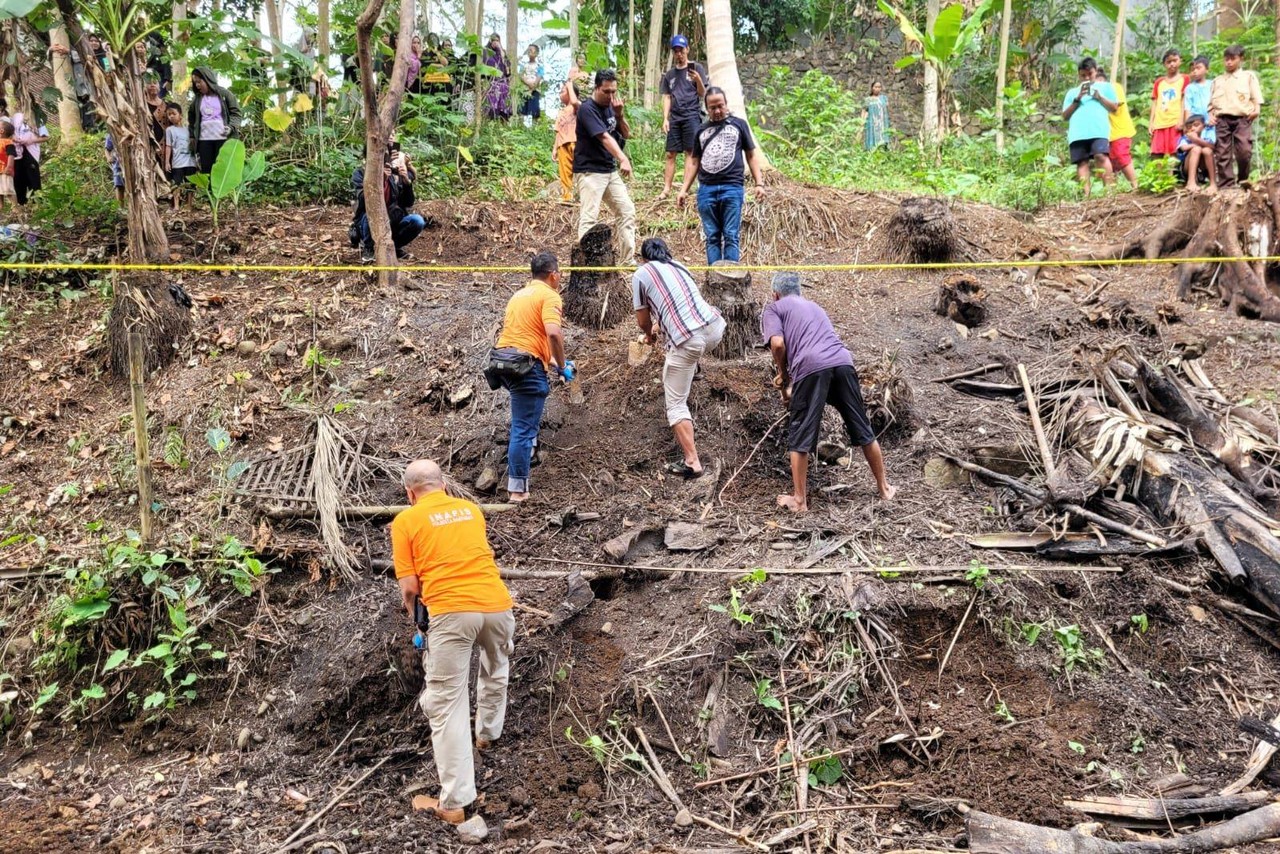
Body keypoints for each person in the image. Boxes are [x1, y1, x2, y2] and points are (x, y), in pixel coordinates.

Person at [391, 458, 515, 827]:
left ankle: (455, 802)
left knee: (447, 702)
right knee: (495, 668)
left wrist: (416, 617)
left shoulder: (406, 520)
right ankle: (488, 736)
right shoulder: (471, 510)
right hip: (497, 605)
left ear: (410, 493)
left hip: (450, 611)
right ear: (443, 485)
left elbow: (411, 587)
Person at [763, 272, 896, 512]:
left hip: (811, 366)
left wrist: (783, 374)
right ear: (799, 291)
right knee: (862, 427)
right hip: (843, 362)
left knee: (800, 432)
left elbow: (778, 344)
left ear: (776, 294)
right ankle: (884, 488)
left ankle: (799, 500)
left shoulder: (774, 308)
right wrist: (791, 390)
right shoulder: (816, 307)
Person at [633, 238, 725, 479]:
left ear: (644, 258)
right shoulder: (679, 265)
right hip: (714, 328)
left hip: (689, 341)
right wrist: (659, 327)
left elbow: (642, 320)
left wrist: (647, 334)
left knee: (675, 404)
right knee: (691, 352)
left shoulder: (641, 274)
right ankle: (695, 369)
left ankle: (692, 462)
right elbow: (680, 305)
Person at [488, 251, 572, 503]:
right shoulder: (549, 295)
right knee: (522, 429)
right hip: (527, 367)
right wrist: (563, 365)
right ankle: (517, 491)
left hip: (505, 361)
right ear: (553, 275)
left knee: (524, 423)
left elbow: (526, 338)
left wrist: (555, 363)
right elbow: (554, 334)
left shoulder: (519, 295)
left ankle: (529, 455)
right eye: (559, 275)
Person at [676, 87, 765, 265]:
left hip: (732, 187)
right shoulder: (701, 130)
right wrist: (683, 189)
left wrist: (759, 183)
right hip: (706, 189)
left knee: (731, 235)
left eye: (720, 106)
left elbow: (751, 155)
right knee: (712, 236)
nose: (717, 111)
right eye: (712, 107)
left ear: (726, 105)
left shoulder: (739, 125)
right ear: (707, 109)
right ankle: (714, 279)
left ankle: (732, 278)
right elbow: (694, 162)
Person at [574, 69, 636, 261]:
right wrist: (623, 158)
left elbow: (626, 134)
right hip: (590, 171)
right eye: (606, 91)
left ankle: (628, 261)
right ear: (597, 88)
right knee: (589, 217)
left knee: (626, 211)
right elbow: (604, 137)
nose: (611, 96)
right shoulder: (587, 109)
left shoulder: (612, 107)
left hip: (609, 170)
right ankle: (585, 265)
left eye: (613, 91)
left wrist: (619, 116)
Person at [351, 144, 426, 262]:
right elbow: (363, 201)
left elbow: (408, 203)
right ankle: (369, 247)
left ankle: (394, 247)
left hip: (391, 220)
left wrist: (407, 183)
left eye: (385, 153)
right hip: (368, 220)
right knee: (371, 213)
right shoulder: (360, 173)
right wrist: (379, 180)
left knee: (417, 221)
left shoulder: (392, 174)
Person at [658, 35, 708, 201]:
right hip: (675, 117)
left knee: (690, 152)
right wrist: (665, 118)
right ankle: (666, 189)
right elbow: (666, 97)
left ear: (687, 49)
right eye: (676, 51)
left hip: (691, 115)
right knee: (670, 154)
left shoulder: (697, 69)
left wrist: (698, 80)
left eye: (681, 50)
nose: (679, 54)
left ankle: (685, 188)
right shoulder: (670, 75)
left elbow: (702, 94)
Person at [1061, 57, 1117, 199]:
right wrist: (1077, 99)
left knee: (1101, 155)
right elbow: (1065, 115)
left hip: (1098, 130)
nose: (1086, 78)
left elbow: (1114, 107)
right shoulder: (1072, 92)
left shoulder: (1106, 87)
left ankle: (1109, 193)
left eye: (1089, 74)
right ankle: (1087, 197)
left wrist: (1099, 97)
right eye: (1083, 75)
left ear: (1096, 71)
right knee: (1081, 162)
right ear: (1078, 75)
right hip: (1078, 133)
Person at [1209, 44, 1262, 189]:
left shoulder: (1248, 77)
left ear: (1241, 59)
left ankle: (1243, 179)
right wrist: (1210, 115)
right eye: (1226, 59)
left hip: (1242, 118)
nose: (1229, 62)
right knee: (1222, 152)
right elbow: (1211, 104)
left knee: (1244, 151)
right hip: (1222, 119)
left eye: (1233, 59)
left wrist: (1257, 109)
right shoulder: (1217, 80)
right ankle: (1226, 184)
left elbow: (1256, 97)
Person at [188, 67, 242, 173]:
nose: (197, 85)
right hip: (204, 140)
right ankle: (209, 190)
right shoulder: (197, 99)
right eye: (195, 83)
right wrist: (192, 135)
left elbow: (236, 113)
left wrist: (231, 127)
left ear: (208, 79)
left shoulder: (225, 95)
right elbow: (192, 118)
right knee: (207, 169)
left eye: (199, 81)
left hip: (222, 138)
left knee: (223, 168)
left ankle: (223, 190)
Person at [552, 56, 589, 204]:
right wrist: (554, 148)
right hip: (562, 144)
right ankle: (567, 196)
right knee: (564, 171)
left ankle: (584, 196)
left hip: (576, 142)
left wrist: (569, 84)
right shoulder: (561, 112)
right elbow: (558, 131)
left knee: (581, 170)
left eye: (564, 91)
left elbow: (574, 101)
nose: (561, 92)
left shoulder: (577, 107)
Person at [1097, 70, 1137, 190]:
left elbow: (1115, 106)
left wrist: (1100, 96)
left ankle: (1135, 186)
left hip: (1120, 131)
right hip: (1105, 134)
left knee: (1121, 157)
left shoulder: (1114, 88)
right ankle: (1113, 191)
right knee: (1109, 163)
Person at [1149, 49, 1187, 158]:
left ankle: (1172, 175)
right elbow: (1155, 103)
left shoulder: (1185, 79)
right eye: (1168, 62)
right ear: (1164, 64)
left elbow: (1184, 100)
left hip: (1175, 122)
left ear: (1180, 61)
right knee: (1156, 153)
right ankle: (1159, 175)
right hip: (1159, 122)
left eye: (1175, 60)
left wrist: (1182, 120)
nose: (1172, 64)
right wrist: (1151, 123)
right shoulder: (1159, 82)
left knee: (1174, 153)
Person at [11, 111, 49, 208]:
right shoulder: (14, 117)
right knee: (18, 178)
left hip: (31, 152)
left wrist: (30, 140)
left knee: (33, 178)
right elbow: (9, 133)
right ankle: (21, 204)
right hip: (17, 152)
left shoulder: (36, 117)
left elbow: (46, 137)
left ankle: (37, 204)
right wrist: (14, 138)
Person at [164, 103, 198, 210]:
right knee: (176, 184)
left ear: (180, 115)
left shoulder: (189, 129)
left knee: (190, 184)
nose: (171, 116)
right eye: (169, 115)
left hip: (190, 161)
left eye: (174, 113)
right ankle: (177, 205)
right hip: (177, 162)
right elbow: (168, 146)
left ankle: (189, 205)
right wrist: (167, 162)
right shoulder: (170, 130)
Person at [1175, 115, 1217, 192]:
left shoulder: (1208, 135)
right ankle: (1191, 182)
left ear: (1203, 126)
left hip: (1203, 167)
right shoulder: (1186, 137)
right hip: (1187, 168)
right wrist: (1195, 142)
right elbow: (1183, 148)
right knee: (1196, 149)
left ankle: (1213, 183)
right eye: (1189, 127)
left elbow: (1213, 147)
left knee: (1207, 150)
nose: (1193, 128)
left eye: (1196, 125)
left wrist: (1196, 140)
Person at [1183, 56, 1216, 148]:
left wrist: (1213, 117)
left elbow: (1217, 103)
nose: (1195, 71)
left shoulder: (1213, 84)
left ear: (1207, 70)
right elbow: (1188, 108)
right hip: (1196, 124)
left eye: (1198, 68)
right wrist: (1187, 126)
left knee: (1210, 148)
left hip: (1211, 123)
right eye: (1192, 69)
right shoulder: (1190, 88)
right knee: (1196, 147)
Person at [483, 34, 512, 120]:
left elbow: (508, 72)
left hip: (503, 84)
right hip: (491, 83)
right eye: (493, 40)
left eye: (497, 40)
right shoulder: (485, 51)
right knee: (491, 109)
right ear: (490, 41)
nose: (495, 42)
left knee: (503, 111)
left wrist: (502, 54)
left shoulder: (502, 53)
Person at [518, 44, 544, 127]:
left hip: (535, 90)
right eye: (529, 51)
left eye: (533, 51)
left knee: (535, 109)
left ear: (537, 53)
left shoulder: (539, 65)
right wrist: (528, 83)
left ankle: (535, 128)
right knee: (522, 110)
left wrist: (533, 86)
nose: (531, 52)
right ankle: (521, 127)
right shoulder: (523, 65)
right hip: (524, 90)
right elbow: (521, 75)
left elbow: (540, 75)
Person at [863, 81, 890, 150]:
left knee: (883, 138)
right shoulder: (868, 99)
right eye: (876, 87)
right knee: (873, 138)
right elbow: (864, 111)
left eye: (879, 87)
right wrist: (862, 122)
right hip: (872, 123)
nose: (877, 89)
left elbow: (886, 110)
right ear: (872, 88)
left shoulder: (884, 98)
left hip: (882, 123)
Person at [104, 134, 125, 206]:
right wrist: (108, 157)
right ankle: (120, 207)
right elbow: (107, 149)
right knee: (119, 186)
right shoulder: (111, 134)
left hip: (130, 163)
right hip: (117, 164)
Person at [0, 120, 15, 214]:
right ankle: (1, 207)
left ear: (1, 131)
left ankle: (15, 208)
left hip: (5, 170)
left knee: (8, 190)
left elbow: (11, 154)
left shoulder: (7, 142)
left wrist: (9, 167)